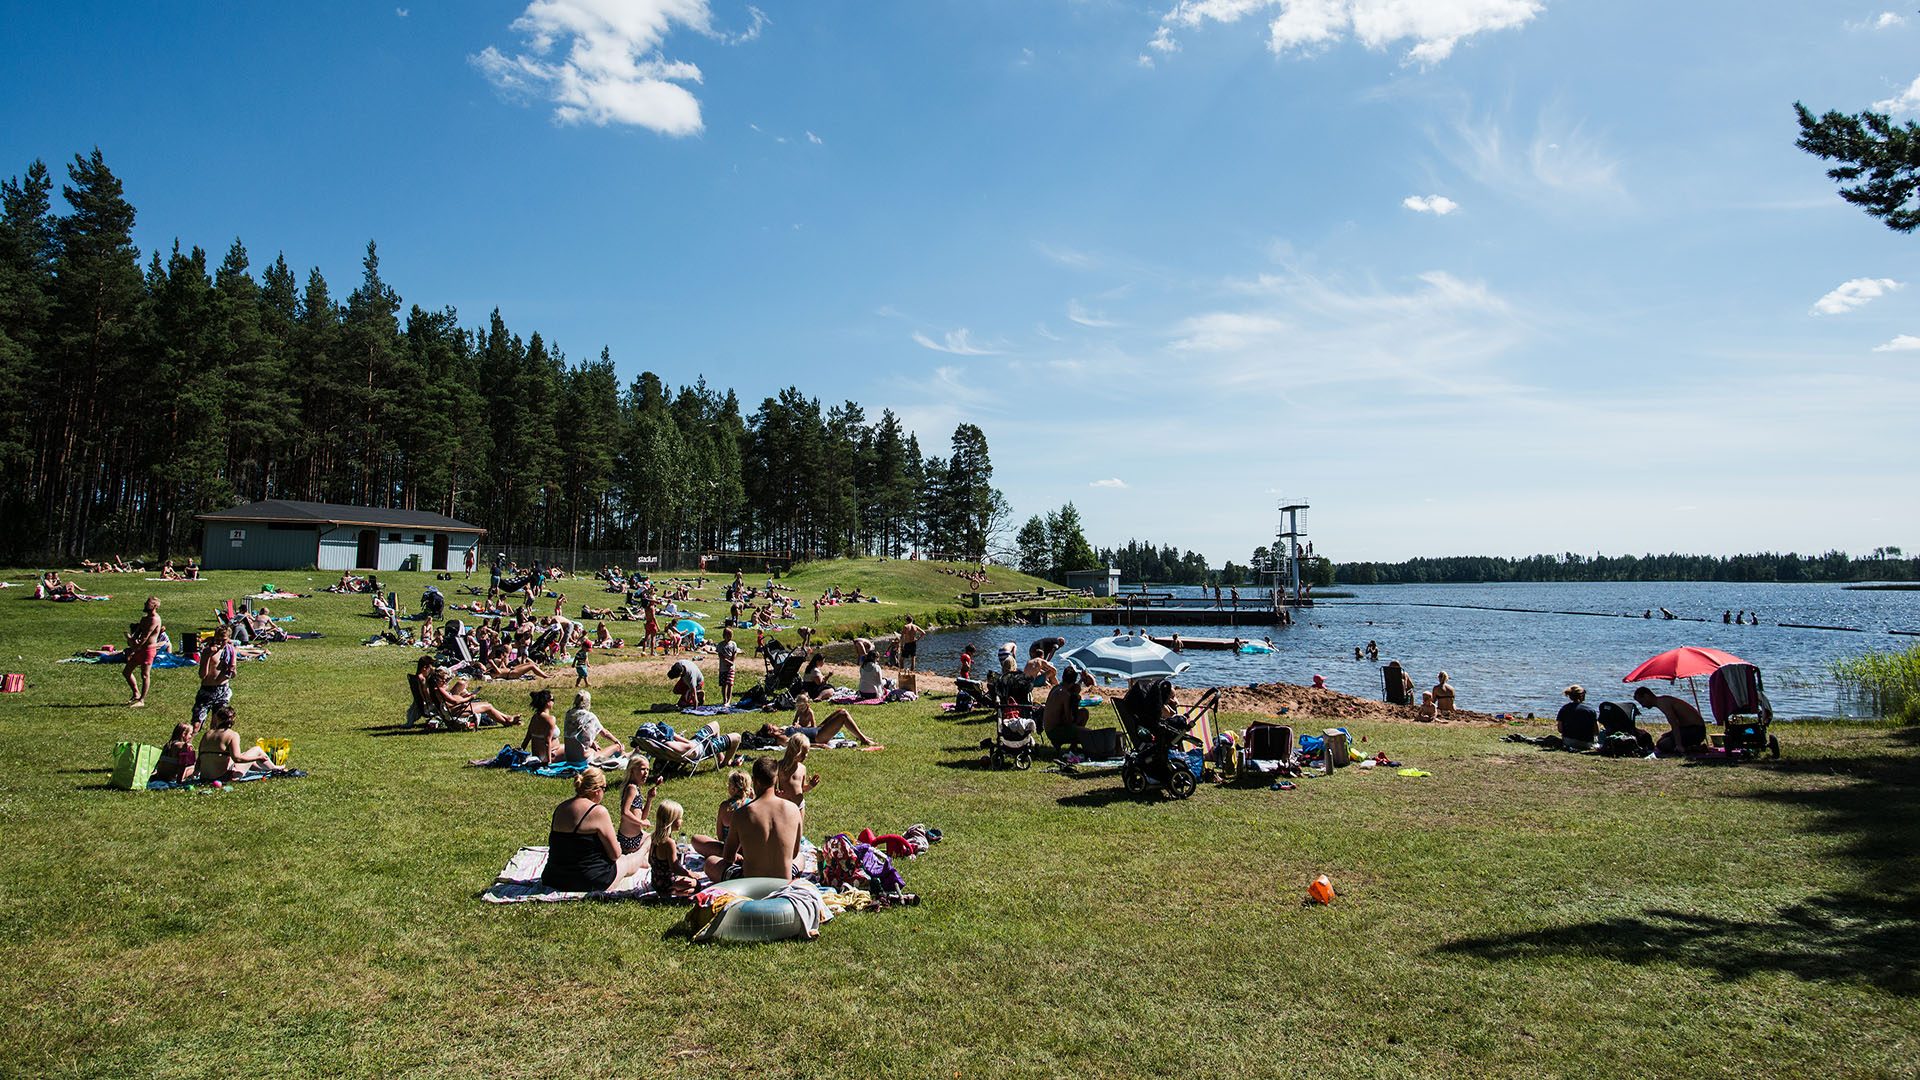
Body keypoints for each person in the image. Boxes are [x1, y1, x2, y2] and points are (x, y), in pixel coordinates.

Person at [539, 767, 647, 892]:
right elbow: (615, 855)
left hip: (554, 878)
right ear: (597, 790)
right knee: (626, 861)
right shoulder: (598, 812)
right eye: (604, 788)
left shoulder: (561, 808)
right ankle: (646, 847)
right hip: (590, 880)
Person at [717, 757, 803, 882]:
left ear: (755, 781)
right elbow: (794, 854)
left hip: (751, 883)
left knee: (711, 863)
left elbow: (728, 857)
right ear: (776, 779)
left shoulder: (742, 813)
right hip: (782, 882)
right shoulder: (793, 809)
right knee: (800, 858)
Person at [194, 704, 279, 782]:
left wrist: (196, 772)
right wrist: (258, 757)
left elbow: (200, 757)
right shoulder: (232, 735)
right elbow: (237, 759)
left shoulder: (207, 734)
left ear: (217, 718)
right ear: (233, 719)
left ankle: (273, 768)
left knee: (244, 757)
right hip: (224, 778)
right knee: (256, 750)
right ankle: (276, 769)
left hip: (205, 778)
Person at [760, 696, 876, 746]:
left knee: (840, 710)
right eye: (773, 725)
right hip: (818, 736)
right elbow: (798, 745)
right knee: (843, 715)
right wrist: (819, 745)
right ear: (770, 731)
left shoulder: (782, 730)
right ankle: (863, 739)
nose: (775, 725)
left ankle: (861, 736)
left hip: (816, 729)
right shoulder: (781, 738)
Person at [1634, 686, 1709, 756]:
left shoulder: (1663, 703)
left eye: (1642, 702)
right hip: (1690, 729)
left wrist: (1678, 745)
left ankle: (1692, 748)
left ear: (1647, 696)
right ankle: (1693, 747)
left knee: (1663, 745)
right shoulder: (1663, 700)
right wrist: (1669, 734)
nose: (1643, 706)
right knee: (1661, 740)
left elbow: (1675, 724)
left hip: (1696, 731)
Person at [648, 800, 700, 899]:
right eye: (680, 818)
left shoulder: (654, 837)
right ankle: (674, 892)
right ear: (671, 821)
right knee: (697, 885)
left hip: (655, 880)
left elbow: (649, 860)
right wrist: (690, 874)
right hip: (667, 883)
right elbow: (675, 868)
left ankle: (672, 890)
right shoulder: (669, 842)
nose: (682, 821)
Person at [191, 624, 238, 731]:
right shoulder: (207, 651)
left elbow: (233, 675)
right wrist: (208, 655)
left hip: (222, 690)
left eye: (223, 640)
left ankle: (211, 746)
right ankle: (187, 746)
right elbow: (202, 675)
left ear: (229, 638)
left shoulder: (230, 651)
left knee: (217, 724)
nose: (220, 642)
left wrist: (233, 669)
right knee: (196, 724)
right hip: (207, 690)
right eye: (218, 639)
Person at [564, 690, 624, 764]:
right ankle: (625, 756)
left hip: (569, 759)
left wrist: (592, 743)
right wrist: (617, 741)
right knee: (617, 747)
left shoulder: (569, 714)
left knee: (595, 748)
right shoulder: (589, 716)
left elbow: (579, 734)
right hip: (583, 760)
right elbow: (604, 733)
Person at [124, 595, 163, 707]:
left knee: (145, 675)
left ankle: (142, 700)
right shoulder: (144, 618)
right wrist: (132, 640)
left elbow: (145, 636)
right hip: (140, 649)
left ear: (155, 606)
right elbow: (138, 633)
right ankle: (136, 693)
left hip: (148, 650)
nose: (145, 605)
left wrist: (135, 647)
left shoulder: (155, 619)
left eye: (148, 604)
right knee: (126, 672)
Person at [616, 758, 659, 856]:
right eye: (643, 769)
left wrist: (649, 798)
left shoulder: (636, 788)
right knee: (656, 844)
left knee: (657, 839)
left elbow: (642, 816)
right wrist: (641, 823)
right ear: (632, 770)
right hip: (629, 840)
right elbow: (625, 812)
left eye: (648, 770)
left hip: (635, 837)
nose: (646, 773)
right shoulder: (631, 788)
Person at [1041, 668, 1093, 748]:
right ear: (1073, 681)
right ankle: (1074, 744)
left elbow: (1074, 687)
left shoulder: (1056, 688)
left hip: (1049, 730)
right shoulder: (1065, 695)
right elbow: (1069, 720)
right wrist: (1075, 703)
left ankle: (1073, 746)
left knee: (1084, 713)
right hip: (1055, 732)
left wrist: (1081, 680)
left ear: (1063, 677)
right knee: (1089, 734)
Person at [774, 733, 819, 808]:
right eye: (803, 754)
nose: (806, 756)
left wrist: (810, 785)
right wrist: (778, 794)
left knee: (800, 820)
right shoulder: (780, 767)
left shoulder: (802, 768)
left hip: (800, 804)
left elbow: (802, 788)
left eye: (807, 753)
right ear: (794, 752)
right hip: (785, 805)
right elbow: (773, 789)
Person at [519, 690, 560, 762]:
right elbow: (547, 742)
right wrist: (549, 761)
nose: (553, 702)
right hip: (549, 754)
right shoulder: (550, 719)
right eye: (552, 700)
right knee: (572, 749)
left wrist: (520, 753)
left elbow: (527, 738)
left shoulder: (535, 717)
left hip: (537, 754)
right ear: (547, 702)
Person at [1557, 685, 1600, 751]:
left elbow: (1560, 729)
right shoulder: (1590, 710)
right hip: (1586, 743)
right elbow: (1596, 731)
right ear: (1582, 696)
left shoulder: (1564, 708)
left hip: (1568, 742)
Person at [715, 627, 740, 705]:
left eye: (731, 636)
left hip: (731, 668)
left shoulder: (733, 644)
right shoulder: (720, 645)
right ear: (724, 636)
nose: (729, 638)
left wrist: (732, 662)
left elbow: (735, 653)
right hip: (723, 668)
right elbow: (720, 655)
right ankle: (724, 699)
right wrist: (727, 661)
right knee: (724, 684)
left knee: (730, 684)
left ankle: (729, 700)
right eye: (728, 636)